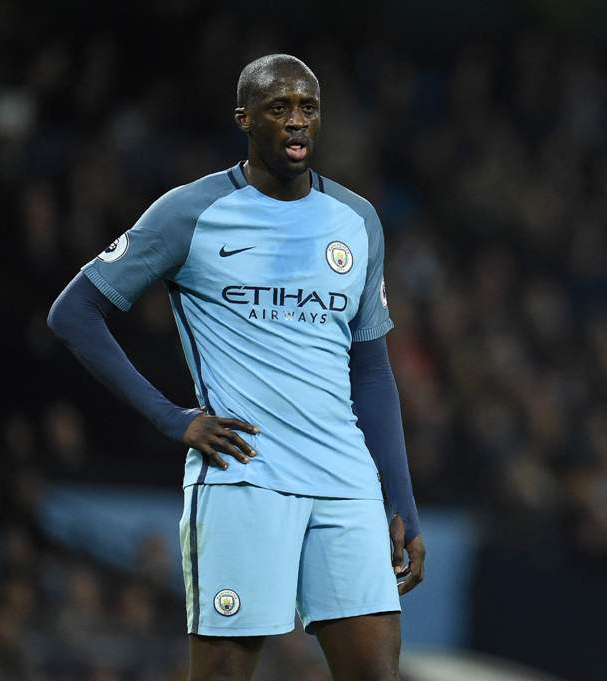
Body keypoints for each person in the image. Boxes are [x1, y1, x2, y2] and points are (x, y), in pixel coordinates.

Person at [48, 53, 425, 681]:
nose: (298, 121)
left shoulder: (357, 221)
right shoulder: (189, 213)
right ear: (244, 119)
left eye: (309, 107)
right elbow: (74, 312)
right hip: (244, 477)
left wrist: (402, 500)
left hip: (345, 483)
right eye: (280, 108)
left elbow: (372, 370)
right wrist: (172, 419)